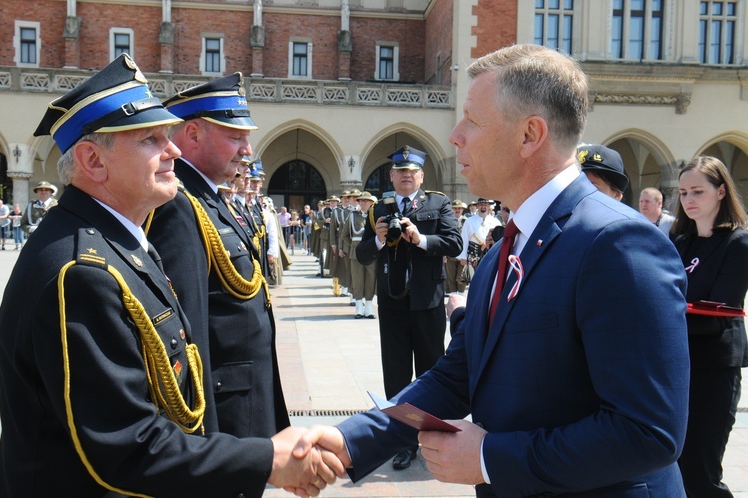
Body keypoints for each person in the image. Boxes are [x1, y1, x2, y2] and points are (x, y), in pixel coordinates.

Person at [295, 43, 690, 497]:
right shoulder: (506, 247)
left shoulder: (618, 244)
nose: (455, 135)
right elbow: (457, 373)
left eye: (473, 121)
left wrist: (488, 458)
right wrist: (351, 440)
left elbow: (647, 433)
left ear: (529, 135)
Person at [0, 53, 340, 497]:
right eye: (151, 139)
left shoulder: (117, 242)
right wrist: (262, 459)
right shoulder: (81, 271)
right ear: (93, 161)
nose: (174, 149)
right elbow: (125, 445)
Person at [146, 73, 290, 441]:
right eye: (235, 137)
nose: (247, 150)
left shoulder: (208, 198)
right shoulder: (180, 205)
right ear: (193, 134)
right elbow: (187, 327)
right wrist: (203, 436)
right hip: (223, 411)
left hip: (244, 395)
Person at [354, 144, 462, 470]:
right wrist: (378, 239)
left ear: (421, 175)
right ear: (391, 176)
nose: (405, 176)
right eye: (400, 172)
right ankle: (402, 442)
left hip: (427, 303)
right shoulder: (379, 210)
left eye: (411, 171)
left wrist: (420, 239)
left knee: (431, 372)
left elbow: (455, 244)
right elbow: (362, 255)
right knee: (397, 376)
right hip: (393, 304)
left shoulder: (438, 204)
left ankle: (433, 439)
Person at [671, 156, 748, 497]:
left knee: (701, 473)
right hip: (677, 367)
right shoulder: (679, 243)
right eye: (684, 192)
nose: (689, 200)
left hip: (715, 369)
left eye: (698, 191)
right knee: (673, 467)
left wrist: (668, 315)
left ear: (720, 192)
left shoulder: (738, 244)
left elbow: (720, 312)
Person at [340, 191, 377, 318]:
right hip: (356, 251)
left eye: (366, 200)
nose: (363, 202)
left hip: (372, 250)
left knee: (370, 279)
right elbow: (344, 234)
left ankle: (368, 308)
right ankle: (359, 308)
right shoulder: (352, 215)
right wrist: (354, 245)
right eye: (361, 201)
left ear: (372, 203)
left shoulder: (376, 216)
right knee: (357, 279)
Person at [458, 198, 501, 273]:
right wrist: (463, 257)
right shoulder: (469, 221)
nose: (483, 206)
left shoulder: (495, 221)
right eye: (481, 204)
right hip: (473, 253)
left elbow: (500, 239)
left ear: (488, 206)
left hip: (490, 251)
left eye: (485, 205)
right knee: (473, 278)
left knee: (489, 275)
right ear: (477, 206)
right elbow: (464, 239)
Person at [444, 199, 468, 294]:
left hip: (462, 253)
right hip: (450, 253)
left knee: (461, 277)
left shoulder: (466, 221)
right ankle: (452, 296)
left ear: (462, 210)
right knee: (450, 277)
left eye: (459, 208)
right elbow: (444, 238)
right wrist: (444, 254)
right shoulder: (447, 220)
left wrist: (466, 256)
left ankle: (461, 296)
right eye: (455, 208)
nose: (457, 210)